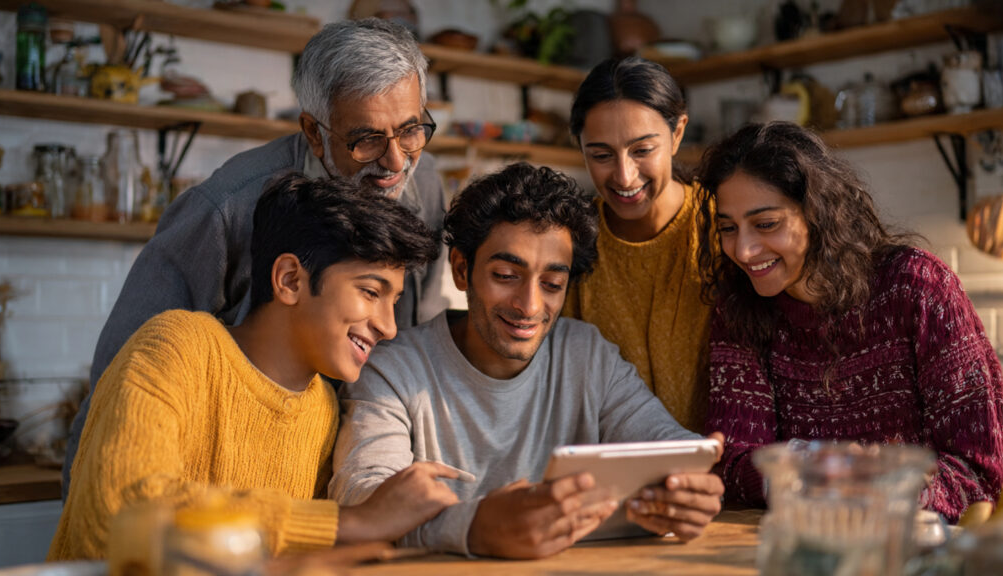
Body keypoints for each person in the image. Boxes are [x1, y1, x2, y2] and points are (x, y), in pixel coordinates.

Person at [63, 18, 449, 498]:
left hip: (337, 472)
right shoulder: (226, 209)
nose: (395, 162)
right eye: (367, 139)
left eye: (410, 130)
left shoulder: (424, 182)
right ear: (314, 132)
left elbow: (413, 345)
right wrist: (89, 504)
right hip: (210, 495)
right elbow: (122, 382)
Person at [49, 174, 461, 560]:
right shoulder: (177, 346)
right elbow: (120, 513)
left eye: (393, 301)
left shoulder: (323, 409)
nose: (389, 327)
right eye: (370, 292)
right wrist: (351, 522)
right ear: (290, 280)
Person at [329, 163, 724, 559]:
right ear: (462, 270)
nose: (530, 306)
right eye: (505, 275)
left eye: (552, 284)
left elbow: (670, 446)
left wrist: (690, 491)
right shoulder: (393, 370)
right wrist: (476, 529)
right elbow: (362, 498)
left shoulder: (588, 356)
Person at [694, 122, 1003, 522]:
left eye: (766, 224)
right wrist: (815, 466)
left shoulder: (917, 287)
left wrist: (886, 485)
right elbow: (731, 459)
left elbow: (980, 468)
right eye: (728, 228)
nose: (743, 250)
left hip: (915, 543)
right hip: (798, 540)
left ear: (818, 213)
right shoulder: (739, 308)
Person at [563, 57, 710, 433]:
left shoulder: (723, 226)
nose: (625, 176)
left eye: (642, 150)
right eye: (601, 155)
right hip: (609, 463)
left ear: (677, 133)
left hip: (720, 459)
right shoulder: (570, 239)